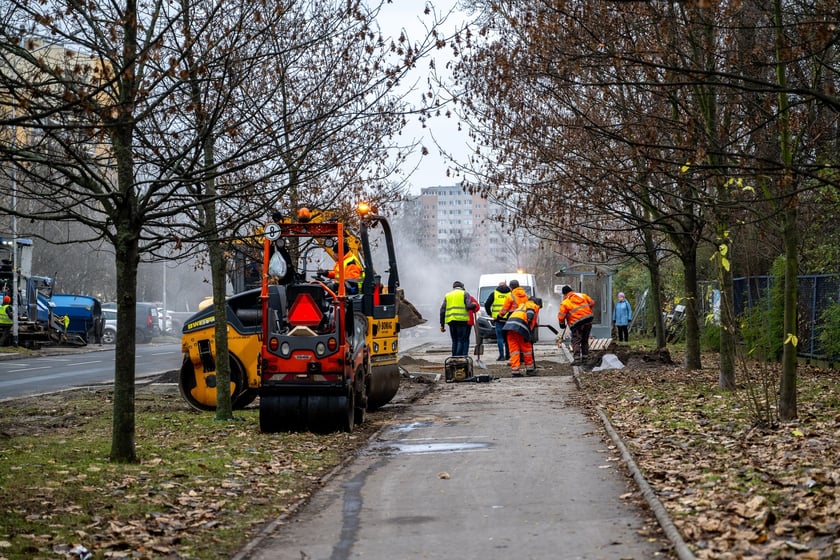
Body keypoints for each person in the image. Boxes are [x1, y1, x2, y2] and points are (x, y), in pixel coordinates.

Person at [502, 292, 540, 376]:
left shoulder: (522, 306)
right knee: (527, 350)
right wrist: (529, 333)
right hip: (520, 328)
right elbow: (530, 314)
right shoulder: (532, 305)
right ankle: (530, 370)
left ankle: (515, 371)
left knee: (514, 351)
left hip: (509, 327)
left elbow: (523, 315)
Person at [557, 285, 595, 363]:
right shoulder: (583, 295)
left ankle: (577, 359)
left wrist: (562, 324)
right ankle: (585, 358)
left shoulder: (565, 302)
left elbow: (561, 316)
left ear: (564, 294)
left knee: (576, 340)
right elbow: (592, 303)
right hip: (588, 320)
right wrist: (585, 310)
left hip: (577, 323)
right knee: (585, 340)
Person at [440, 281, 479, 357]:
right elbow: (468, 306)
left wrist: (442, 325)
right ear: (462, 287)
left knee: (454, 340)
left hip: (451, 321)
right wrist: (473, 305)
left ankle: (453, 357)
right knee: (461, 340)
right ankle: (459, 358)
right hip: (462, 320)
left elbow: (442, 310)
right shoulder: (465, 293)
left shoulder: (448, 295)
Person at [484, 280, 511, 361]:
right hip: (509, 319)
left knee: (500, 338)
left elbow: (487, 304)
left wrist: (490, 314)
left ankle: (501, 356)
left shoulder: (494, 293)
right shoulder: (511, 294)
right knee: (508, 338)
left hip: (498, 319)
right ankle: (508, 355)